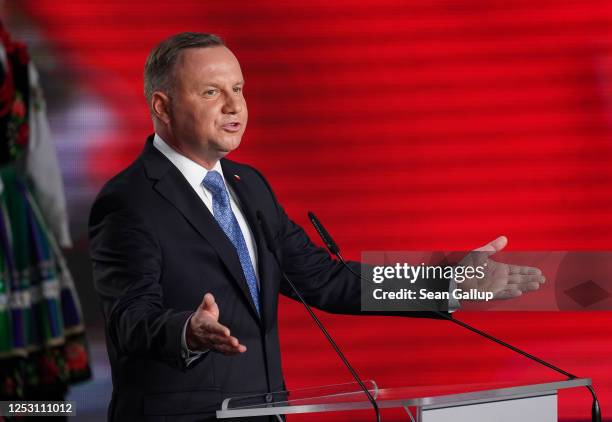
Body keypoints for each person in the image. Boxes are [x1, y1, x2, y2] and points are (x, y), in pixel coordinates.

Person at [88, 32, 544, 422]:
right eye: (211, 92)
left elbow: (323, 279)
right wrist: (186, 330)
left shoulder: (250, 187)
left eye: (239, 89)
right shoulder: (130, 201)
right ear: (162, 107)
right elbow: (130, 318)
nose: (234, 106)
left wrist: (445, 284)